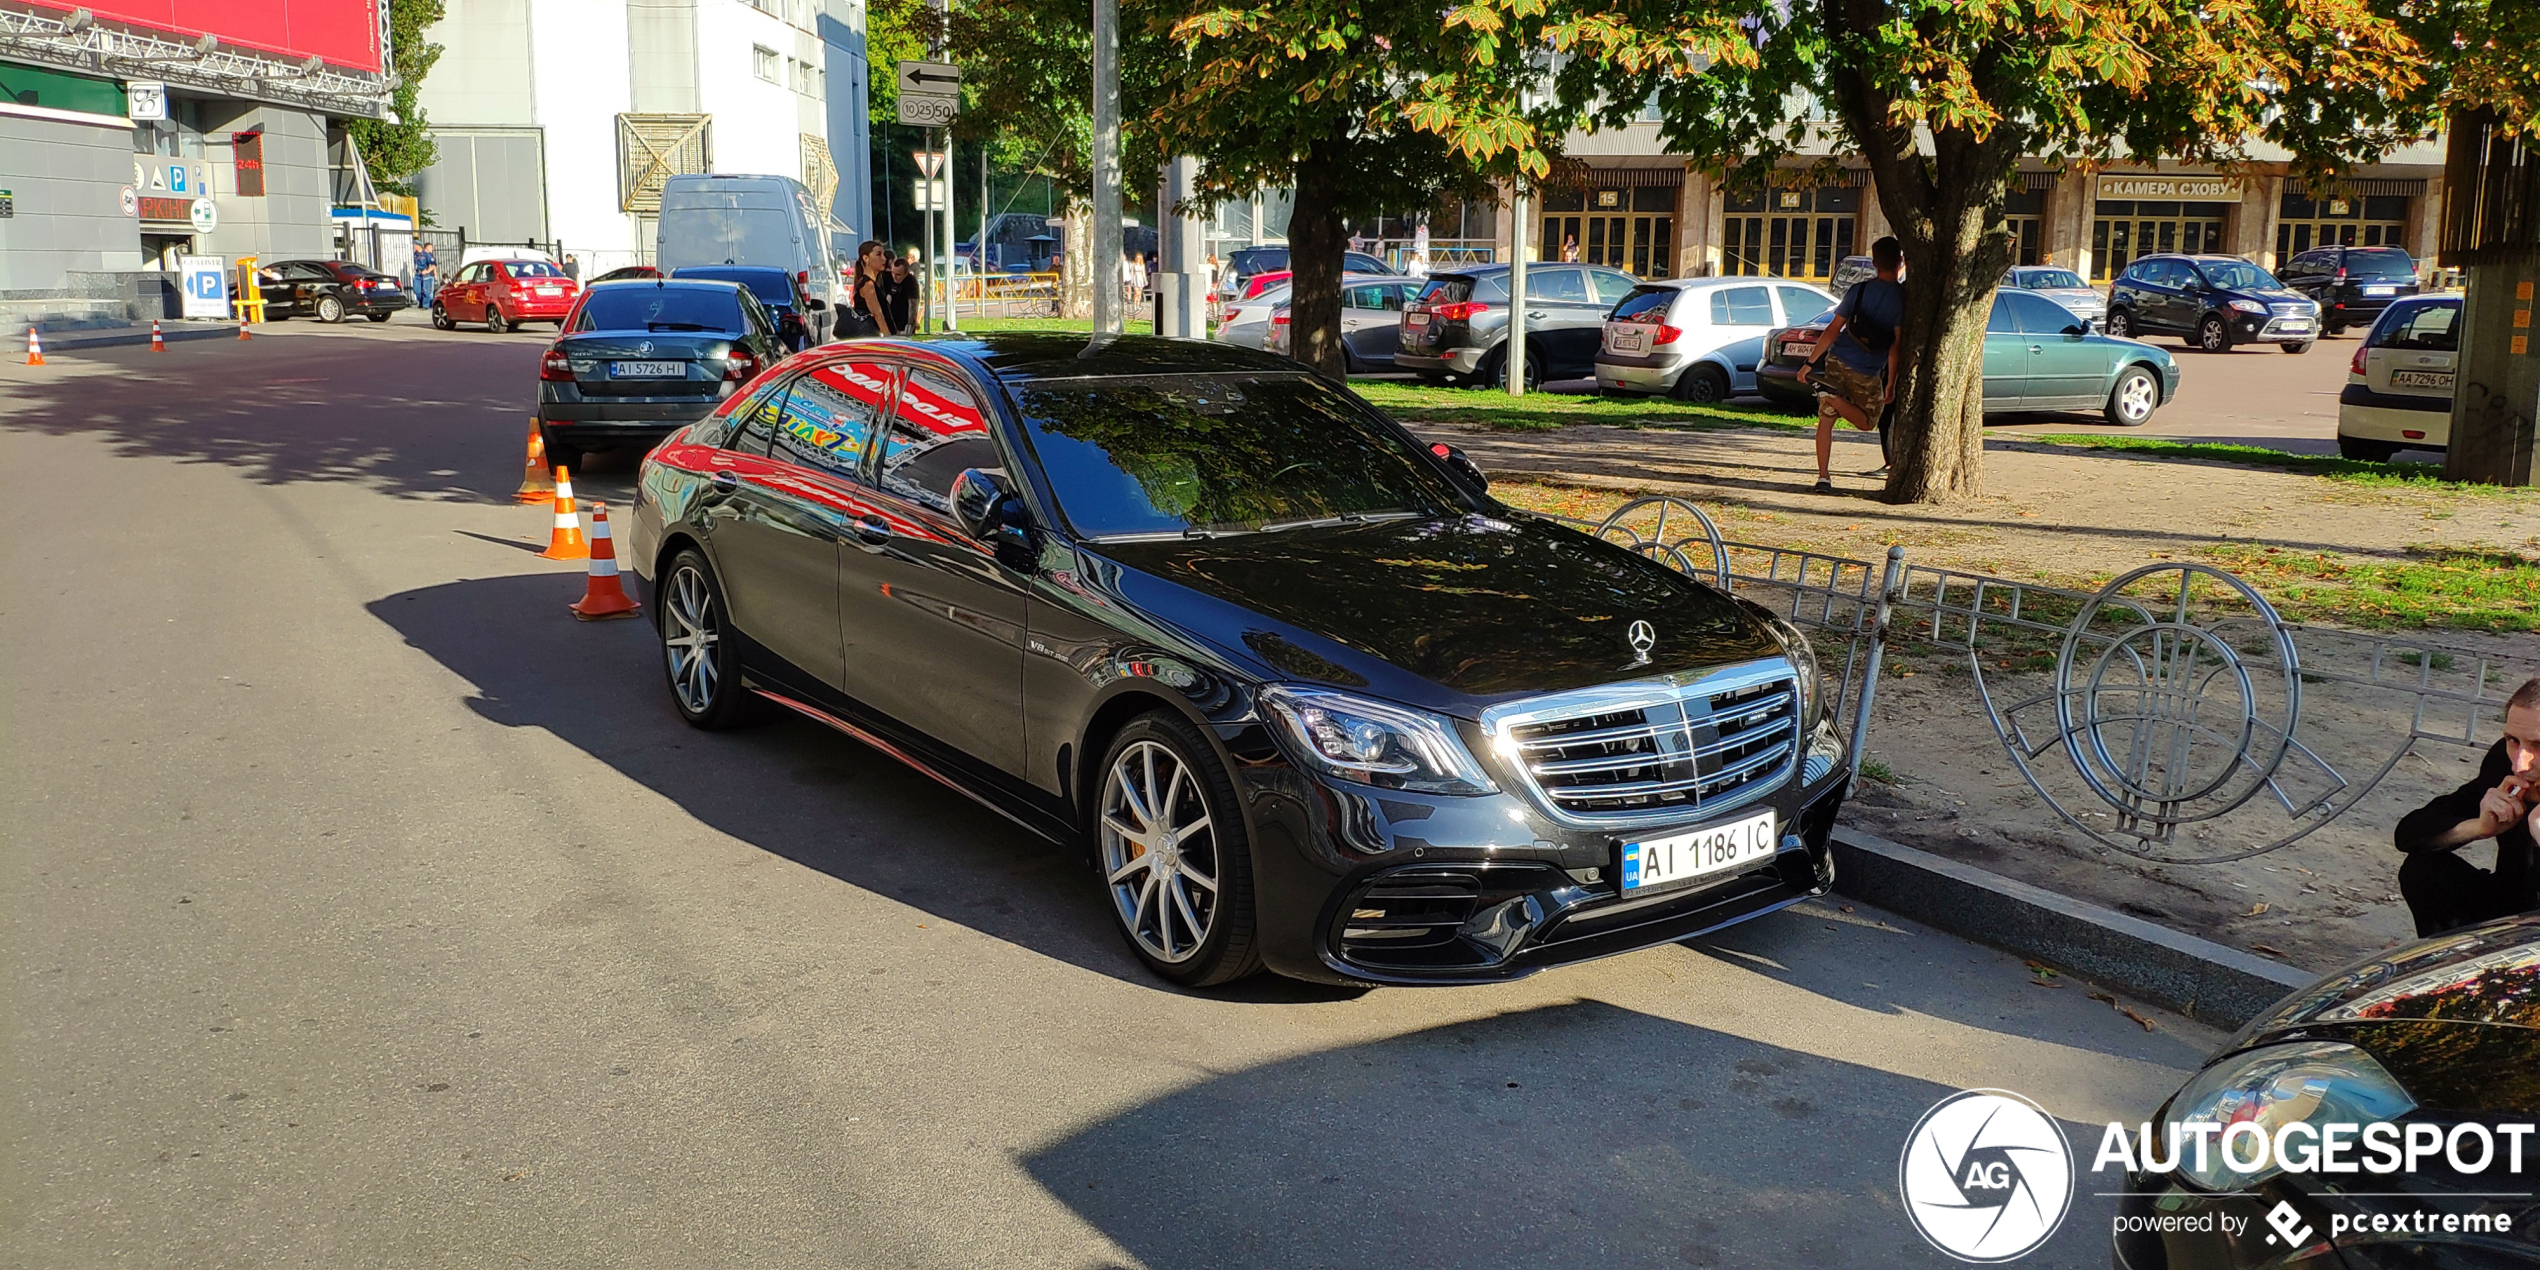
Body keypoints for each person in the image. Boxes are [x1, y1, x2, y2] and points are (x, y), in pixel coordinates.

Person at [2396, 677, 2540, 937]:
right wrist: (2478, 827)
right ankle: (2446, 963)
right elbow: (2409, 834)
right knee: (2424, 872)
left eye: (2538, 745)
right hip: (2513, 910)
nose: (2520, 764)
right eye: (2513, 740)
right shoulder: (2505, 765)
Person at [1796, 235, 1904, 494]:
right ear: (1900, 261)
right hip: (1867, 369)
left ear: (1874, 263)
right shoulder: (1903, 298)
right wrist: (1891, 382)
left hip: (1837, 358)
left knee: (1826, 421)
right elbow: (1896, 345)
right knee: (1868, 422)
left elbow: (1833, 329)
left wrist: (1810, 363)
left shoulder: (1859, 290)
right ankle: (1832, 398)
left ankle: (1823, 476)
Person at [843, 239, 889, 337]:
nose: (884, 259)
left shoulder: (871, 282)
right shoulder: (867, 284)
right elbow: (877, 314)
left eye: (883, 254)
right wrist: (889, 338)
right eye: (878, 254)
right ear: (866, 258)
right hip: (872, 336)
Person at [884, 255, 919, 335]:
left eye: (898, 275)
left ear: (906, 273)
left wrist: (910, 324)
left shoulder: (910, 281)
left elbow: (913, 303)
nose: (894, 277)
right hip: (891, 320)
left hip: (903, 320)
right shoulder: (887, 278)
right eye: (893, 273)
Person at [412, 240, 437, 308]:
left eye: (414, 245)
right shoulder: (415, 254)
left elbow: (433, 265)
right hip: (418, 274)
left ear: (418, 246)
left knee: (427, 291)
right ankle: (421, 302)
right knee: (416, 290)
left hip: (425, 274)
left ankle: (425, 306)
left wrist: (427, 271)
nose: (414, 247)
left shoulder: (426, 255)